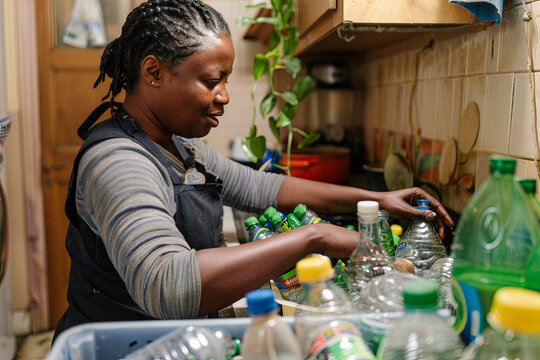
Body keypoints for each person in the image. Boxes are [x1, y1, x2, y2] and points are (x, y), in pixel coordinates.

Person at [53, 0, 453, 340]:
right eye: (212, 80)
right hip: (124, 346)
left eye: (225, 79)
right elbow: (168, 284)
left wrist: (376, 198)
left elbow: (263, 188)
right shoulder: (119, 163)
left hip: (176, 340)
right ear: (153, 72)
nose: (223, 95)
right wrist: (314, 236)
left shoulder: (176, 146)